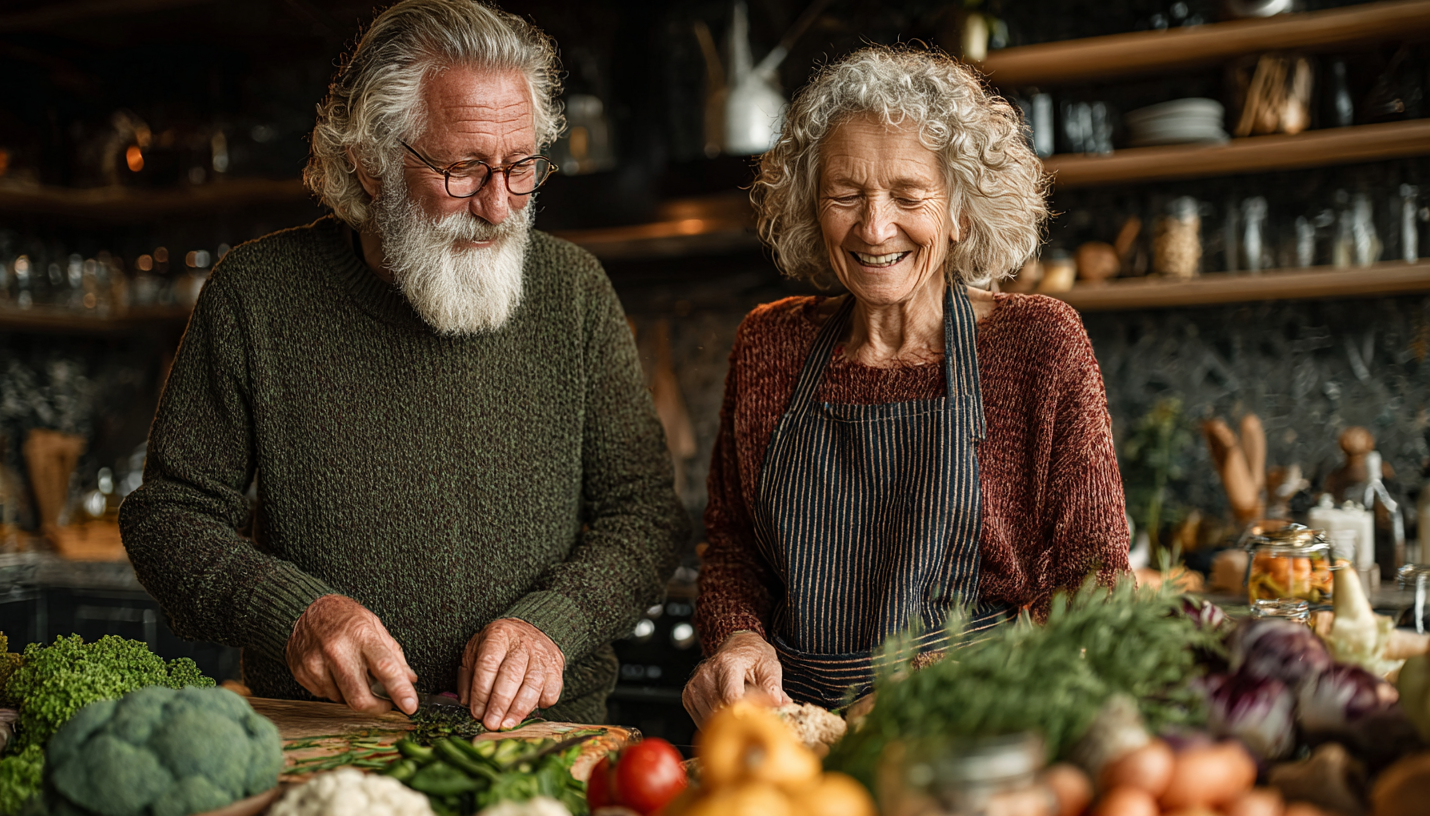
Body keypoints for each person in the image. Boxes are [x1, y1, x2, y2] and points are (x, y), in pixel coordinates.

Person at [120, 0, 689, 729]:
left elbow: (644, 514)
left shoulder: (574, 292)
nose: (499, 206)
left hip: (543, 736)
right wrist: (295, 614)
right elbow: (170, 516)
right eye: (464, 170)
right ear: (370, 162)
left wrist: (553, 624)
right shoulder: (255, 295)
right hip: (330, 738)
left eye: (521, 166)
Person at [684, 46, 1130, 722]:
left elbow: (1096, 586)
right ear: (812, 207)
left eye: (908, 195)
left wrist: (932, 688)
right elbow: (734, 551)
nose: (874, 227)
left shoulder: (1037, 343)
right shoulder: (769, 343)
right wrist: (738, 637)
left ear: (960, 212)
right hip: (791, 736)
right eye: (845, 195)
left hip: (969, 728)